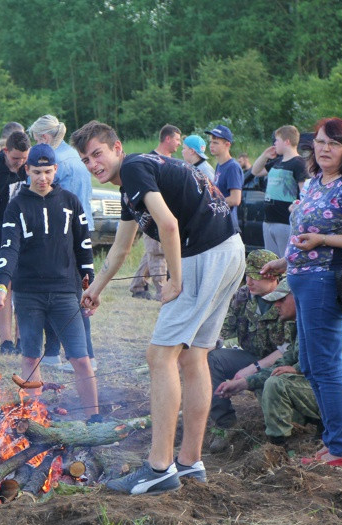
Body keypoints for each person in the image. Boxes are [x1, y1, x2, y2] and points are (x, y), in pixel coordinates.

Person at [73, 120, 244, 494]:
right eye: (86, 160)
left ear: (117, 147)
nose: (93, 165)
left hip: (205, 256)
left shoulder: (134, 168)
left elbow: (167, 225)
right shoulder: (134, 183)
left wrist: (175, 279)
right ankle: (189, 463)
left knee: (159, 356)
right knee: (192, 357)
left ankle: (158, 468)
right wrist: (96, 289)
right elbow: (120, 248)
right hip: (230, 251)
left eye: (97, 154)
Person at [261, 117, 342, 467]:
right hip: (302, 280)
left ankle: (340, 450)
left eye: (335, 143)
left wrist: (323, 240)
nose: (326, 148)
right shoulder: (315, 182)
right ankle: (333, 443)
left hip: (326, 283)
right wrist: (284, 263)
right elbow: (304, 235)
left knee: (326, 368)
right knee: (313, 367)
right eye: (322, 142)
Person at [0, 143, 99, 419]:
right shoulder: (16, 206)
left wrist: (91, 288)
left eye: (48, 172)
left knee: (81, 358)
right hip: (29, 294)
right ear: (27, 170)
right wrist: (2, 286)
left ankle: (93, 417)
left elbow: (84, 248)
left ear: (56, 170)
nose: (42, 178)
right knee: (30, 356)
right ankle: (33, 417)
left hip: (65, 292)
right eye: (36, 172)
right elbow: (9, 248)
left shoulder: (71, 202)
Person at [216, 279, 342, 446]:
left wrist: (297, 369)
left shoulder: (320, 320)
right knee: (264, 382)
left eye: (282, 300)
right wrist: (245, 382)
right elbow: (288, 359)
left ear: (299, 297)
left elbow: (326, 361)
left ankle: (281, 445)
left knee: (276, 383)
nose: (276, 305)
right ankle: (302, 428)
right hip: (327, 390)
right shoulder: (306, 320)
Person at [206, 249, 296, 452]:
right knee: (211, 359)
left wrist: (254, 368)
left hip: (280, 364)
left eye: (255, 277)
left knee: (275, 411)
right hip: (251, 356)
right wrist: (197, 353)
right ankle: (226, 424)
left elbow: (289, 349)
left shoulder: (287, 298)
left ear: (273, 277)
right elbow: (222, 331)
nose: (249, 281)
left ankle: (284, 439)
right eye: (247, 275)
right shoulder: (243, 296)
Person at [28, 115, 97, 369]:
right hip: (83, 230)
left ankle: (81, 354)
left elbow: (35, 199)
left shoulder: (51, 164)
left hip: (60, 235)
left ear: (44, 137)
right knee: (74, 292)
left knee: (58, 294)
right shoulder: (76, 158)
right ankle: (55, 352)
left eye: (36, 138)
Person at [0, 130, 30, 354]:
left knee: (22, 287)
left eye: (23, 158)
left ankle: (22, 338)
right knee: (3, 287)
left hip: (24, 237)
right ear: (5, 151)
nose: (20, 163)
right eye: (15, 158)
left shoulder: (29, 169)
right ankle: (6, 341)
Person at [127, 125, 181, 301]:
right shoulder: (148, 161)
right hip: (154, 216)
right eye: (177, 139)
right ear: (167, 139)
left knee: (151, 252)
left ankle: (137, 285)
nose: (179, 143)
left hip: (171, 215)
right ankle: (161, 291)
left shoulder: (173, 162)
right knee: (158, 253)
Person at [250, 125, 308, 257]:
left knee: (284, 262)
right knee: (271, 261)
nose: (274, 144)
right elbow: (256, 171)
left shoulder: (298, 163)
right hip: (269, 220)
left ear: (287, 141)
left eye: (277, 140)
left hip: (285, 222)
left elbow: (304, 194)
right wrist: (265, 155)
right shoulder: (277, 162)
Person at [206, 125, 243, 231]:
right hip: (219, 223)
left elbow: (235, 200)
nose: (211, 146)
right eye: (211, 142)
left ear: (227, 144)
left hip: (229, 226)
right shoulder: (219, 165)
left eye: (216, 143)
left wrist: (211, 204)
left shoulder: (232, 167)